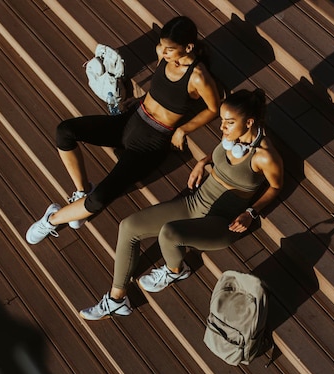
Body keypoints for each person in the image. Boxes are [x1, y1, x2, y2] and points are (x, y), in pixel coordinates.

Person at [79, 89, 283, 320]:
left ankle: (176, 271)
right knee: (128, 226)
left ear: (249, 122)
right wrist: (202, 162)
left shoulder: (265, 156)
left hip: (220, 221)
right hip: (193, 202)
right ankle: (117, 299)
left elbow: (275, 187)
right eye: (222, 121)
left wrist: (251, 212)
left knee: (169, 233)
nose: (222, 127)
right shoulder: (231, 139)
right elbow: (218, 157)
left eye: (229, 122)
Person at [26, 16, 220, 244]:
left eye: (170, 49)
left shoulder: (198, 77)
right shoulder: (163, 55)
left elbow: (213, 108)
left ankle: (52, 219)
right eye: (162, 46)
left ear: (188, 47)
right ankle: (82, 190)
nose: (163, 52)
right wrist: (141, 99)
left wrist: (183, 129)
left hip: (150, 143)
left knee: (99, 199)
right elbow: (160, 87)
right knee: (65, 131)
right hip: (130, 120)